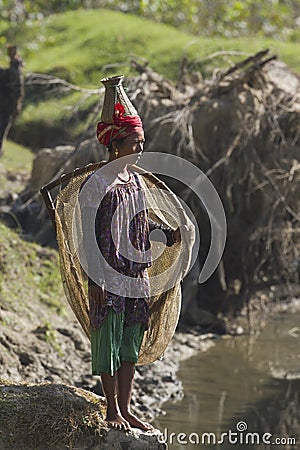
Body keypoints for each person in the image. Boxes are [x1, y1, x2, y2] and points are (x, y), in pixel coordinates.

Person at [79, 94, 182, 431]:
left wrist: (164, 233)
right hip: (108, 277)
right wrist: (94, 280)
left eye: (142, 142)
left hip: (136, 276)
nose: (140, 149)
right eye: (135, 143)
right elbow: (88, 238)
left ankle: (126, 407)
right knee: (107, 341)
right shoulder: (97, 185)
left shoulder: (135, 180)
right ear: (115, 146)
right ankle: (111, 410)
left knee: (129, 344)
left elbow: (139, 223)